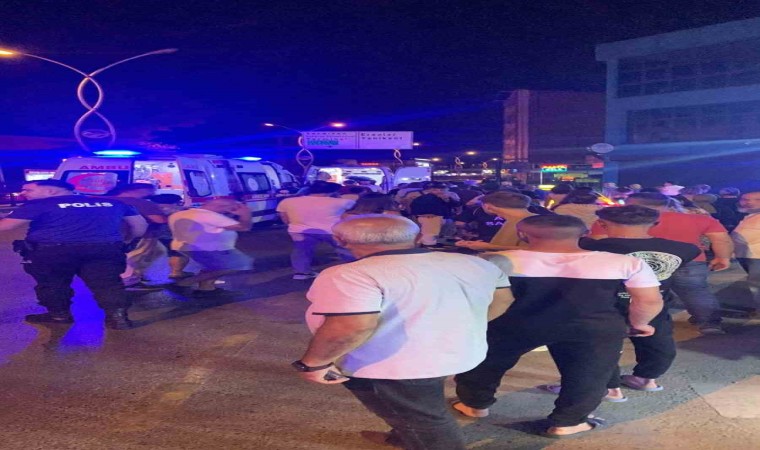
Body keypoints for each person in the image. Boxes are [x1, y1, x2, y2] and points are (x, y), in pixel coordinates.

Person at [294, 215, 513, 450]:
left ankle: (416, 437)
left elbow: (351, 327)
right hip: (459, 349)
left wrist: (314, 364)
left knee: (424, 420)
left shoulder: (350, 274)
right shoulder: (477, 264)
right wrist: (456, 325)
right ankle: (405, 437)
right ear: (418, 237)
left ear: (340, 240)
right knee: (411, 409)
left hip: (393, 364)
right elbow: (503, 300)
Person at [453, 215, 663, 438]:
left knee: (487, 363)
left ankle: (474, 404)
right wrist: (640, 323)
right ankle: (568, 422)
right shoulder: (624, 262)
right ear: (585, 234)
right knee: (589, 373)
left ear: (522, 234)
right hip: (593, 326)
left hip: (515, 324)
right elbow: (649, 301)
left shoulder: (493, 260)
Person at [577, 206, 699, 397]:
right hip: (655, 302)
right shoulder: (685, 249)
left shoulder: (591, 247)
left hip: (607, 304)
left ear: (602, 224)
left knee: (602, 346)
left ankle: (609, 386)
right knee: (658, 341)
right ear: (656, 223)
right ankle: (647, 378)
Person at [0, 179, 147, 329]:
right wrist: (127, 240)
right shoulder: (113, 203)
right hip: (104, 250)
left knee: (53, 283)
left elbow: (5, 227)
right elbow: (140, 226)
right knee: (108, 284)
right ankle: (118, 319)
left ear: (51, 191)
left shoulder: (38, 204)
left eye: (28, 190)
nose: (23, 193)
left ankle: (59, 315)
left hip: (52, 252)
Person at [593, 192, 733, 334]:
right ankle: (709, 323)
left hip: (635, 261)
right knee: (695, 291)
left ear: (631, 204)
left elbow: (600, 243)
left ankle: (640, 321)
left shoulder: (612, 222)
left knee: (636, 293)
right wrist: (723, 257)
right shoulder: (698, 219)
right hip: (688, 261)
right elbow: (721, 239)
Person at [169, 199, 254, 294]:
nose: (233, 211)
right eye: (233, 208)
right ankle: (184, 283)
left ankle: (206, 289)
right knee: (238, 264)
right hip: (210, 248)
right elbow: (244, 227)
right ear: (223, 207)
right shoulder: (210, 216)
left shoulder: (180, 214)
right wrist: (246, 214)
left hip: (184, 246)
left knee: (213, 267)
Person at [276, 182, 355, 279]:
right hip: (332, 230)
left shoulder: (287, 201)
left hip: (299, 230)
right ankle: (354, 269)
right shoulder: (344, 202)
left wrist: (292, 225)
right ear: (332, 191)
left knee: (301, 251)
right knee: (344, 249)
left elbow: (284, 217)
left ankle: (302, 273)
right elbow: (353, 215)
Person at [105, 183, 168, 287]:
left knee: (159, 252)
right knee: (137, 257)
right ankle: (129, 280)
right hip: (141, 236)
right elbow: (159, 220)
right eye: (151, 191)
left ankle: (143, 278)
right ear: (138, 190)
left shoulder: (105, 200)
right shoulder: (142, 203)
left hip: (107, 235)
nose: (153, 194)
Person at [455, 192, 535, 251]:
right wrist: (482, 245)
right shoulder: (513, 221)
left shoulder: (532, 223)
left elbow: (537, 250)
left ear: (487, 206)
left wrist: (489, 247)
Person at [147, 194, 192, 280]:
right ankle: (176, 272)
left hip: (160, 235)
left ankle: (175, 272)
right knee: (180, 254)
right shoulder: (171, 209)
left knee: (173, 253)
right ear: (175, 202)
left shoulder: (153, 209)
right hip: (172, 235)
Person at [730, 191, 760, 316]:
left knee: (756, 284)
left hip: (756, 256)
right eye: (744, 199)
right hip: (746, 255)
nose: (748, 202)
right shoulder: (748, 216)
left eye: (757, 199)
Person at [409, 182, 461, 246]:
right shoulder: (424, 198)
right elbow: (416, 209)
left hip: (443, 219)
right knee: (429, 236)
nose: (439, 191)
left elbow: (456, 205)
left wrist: (447, 199)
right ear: (430, 190)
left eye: (442, 189)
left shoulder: (446, 197)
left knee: (441, 234)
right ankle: (427, 247)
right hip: (431, 218)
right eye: (436, 190)